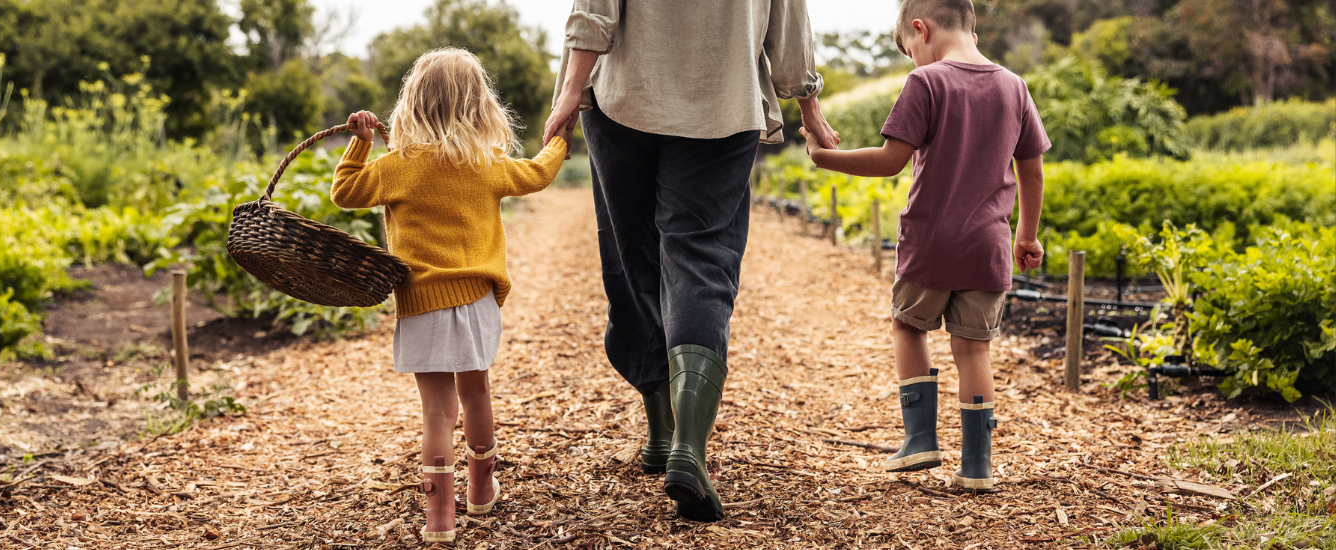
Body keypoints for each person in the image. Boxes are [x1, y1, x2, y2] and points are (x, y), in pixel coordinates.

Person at [544, 0, 839, 522]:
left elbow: (595, 8)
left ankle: (660, 432)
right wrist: (808, 106)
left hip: (624, 101)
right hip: (724, 104)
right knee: (701, 259)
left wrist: (570, 91)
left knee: (632, 254)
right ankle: (686, 444)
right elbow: (789, 21)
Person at [801, 0, 1050, 492]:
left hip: (930, 242)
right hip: (988, 247)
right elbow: (1032, 169)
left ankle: (919, 440)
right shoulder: (1014, 86)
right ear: (972, 31)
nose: (912, 59)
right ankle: (977, 467)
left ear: (922, 29)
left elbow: (892, 160)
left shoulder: (927, 82)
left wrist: (824, 158)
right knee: (973, 351)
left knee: (908, 326)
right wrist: (1026, 234)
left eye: (909, 49)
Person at [331, 48, 566, 544]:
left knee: (437, 411)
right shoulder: (486, 164)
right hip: (477, 299)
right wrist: (559, 140)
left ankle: (439, 520)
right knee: (476, 390)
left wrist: (361, 143)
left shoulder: (398, 166)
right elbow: (538, 174)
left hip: (421, 303)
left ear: (412, 105)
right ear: (480, 107)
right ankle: (481, 489)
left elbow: (345, 192)